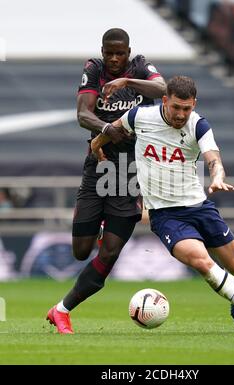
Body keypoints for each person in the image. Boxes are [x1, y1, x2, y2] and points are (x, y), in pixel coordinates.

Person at [92, 75, 234, 335]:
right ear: (165, 100)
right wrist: (96, 144)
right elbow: (113, 129)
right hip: (166, 215)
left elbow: (213, 158)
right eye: (176, 107)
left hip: (199, 207)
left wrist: (217, 178)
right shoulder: (140, 117)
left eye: (187, 108)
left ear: (194, 104)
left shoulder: (198, 125)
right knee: (202, 263)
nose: (181, 114)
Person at [46, 28, 166, 334]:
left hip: (130, 172)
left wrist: (126, 80)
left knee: (109, 253)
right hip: (98, 166)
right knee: (81, 252)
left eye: (119, 53)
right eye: (109, 52)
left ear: (128, 51)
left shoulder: (140, 67)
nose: (114, 59)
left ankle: (62, 311)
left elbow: (162, 88)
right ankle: (100, 225)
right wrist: (107, 129)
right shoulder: (94, 70)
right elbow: (83, 114)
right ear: (102, 51)